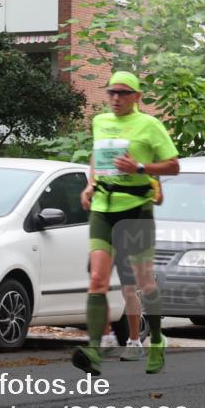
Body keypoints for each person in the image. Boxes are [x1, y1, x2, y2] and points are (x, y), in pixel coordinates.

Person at [72, 71, 179, 376]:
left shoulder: (150, 125)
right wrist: (90, 184)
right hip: (103, 209)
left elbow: (173, 166)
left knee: (144, 283)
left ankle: (155, 339)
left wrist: (140, 167)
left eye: (123, 93)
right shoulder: (100, 121)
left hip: (136, 209)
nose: (116, 98)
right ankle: (95, 349)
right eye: (112, 92)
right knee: (97, 280)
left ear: (137, 97)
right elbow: (97, 156)